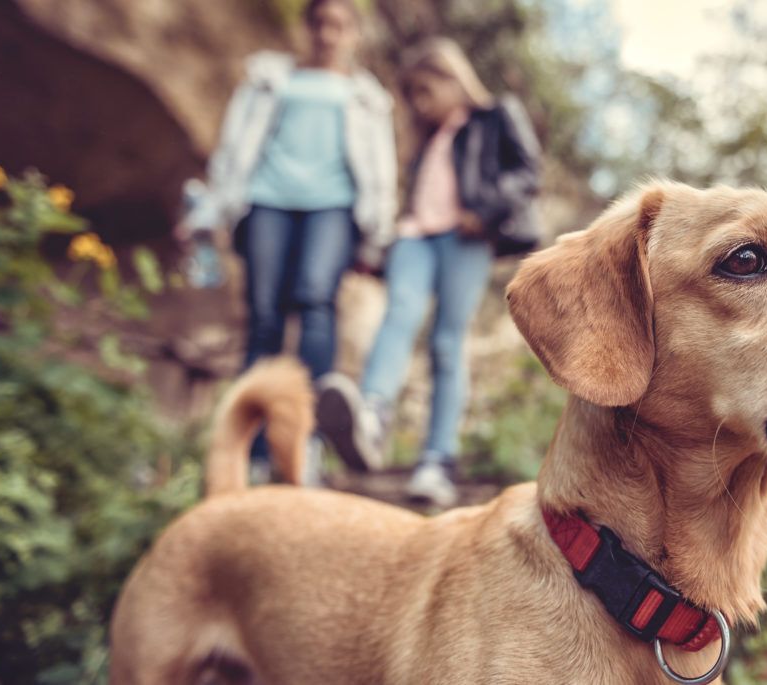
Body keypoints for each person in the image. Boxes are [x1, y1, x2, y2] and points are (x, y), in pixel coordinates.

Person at [316, 37, 541, 507]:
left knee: (446, 341)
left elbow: (527, 172)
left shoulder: (495, 116)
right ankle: (372, 418)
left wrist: (485, 210)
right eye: (413, 95)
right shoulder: (427, 142)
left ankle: (437, 460)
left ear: (452, 78)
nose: (420, 104)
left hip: (466, 238)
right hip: (416, 237)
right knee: (398, 314)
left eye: (425, 91)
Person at [178, 0, 396, 482]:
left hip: (334, 208)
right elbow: (233, 150)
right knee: (264, 318)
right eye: (320, 23)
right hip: (266, 201)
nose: (328, 34)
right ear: (307, 27)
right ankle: (253, 452)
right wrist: (209, 211)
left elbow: (381, 167)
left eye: (339, 25)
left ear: (354, 35)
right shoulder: (268, 79)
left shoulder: (365, 96)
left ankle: (307, 443)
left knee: (316, 302)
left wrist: (376, 233)